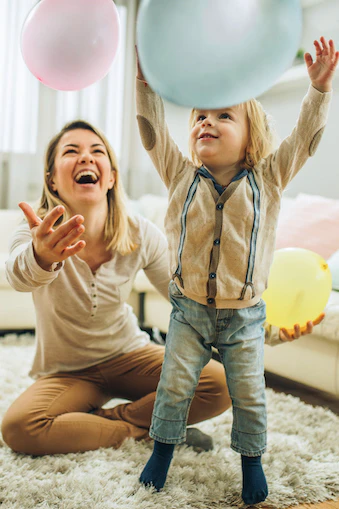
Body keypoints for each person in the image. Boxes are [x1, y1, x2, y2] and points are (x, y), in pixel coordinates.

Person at [1, 120, 323, 460]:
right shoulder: (37, 232)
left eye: (97, 152)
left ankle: (110, 422)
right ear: (52, 178)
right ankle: (150, 431)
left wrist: (262, 329)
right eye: (71, 151)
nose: (86, 158)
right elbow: (19, 277)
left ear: (110, 177)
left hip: (130, 356)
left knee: (222, 382)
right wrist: (42, 256)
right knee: (20, 428)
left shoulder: (140, 232)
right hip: (66, 371)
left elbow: (188, 298)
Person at [136, 37, 338, 504]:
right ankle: (162, 452)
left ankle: (251, 463)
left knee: (250, 396)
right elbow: (150, 131)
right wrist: (145, 82)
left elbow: (305, 139)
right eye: (200, 116)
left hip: (245, 316)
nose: (207, 121)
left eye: (224, 115)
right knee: (174, 385)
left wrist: (320, 90)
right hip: (188, 311)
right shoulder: (179, 174)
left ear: (252, 136)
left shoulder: (269, 178)